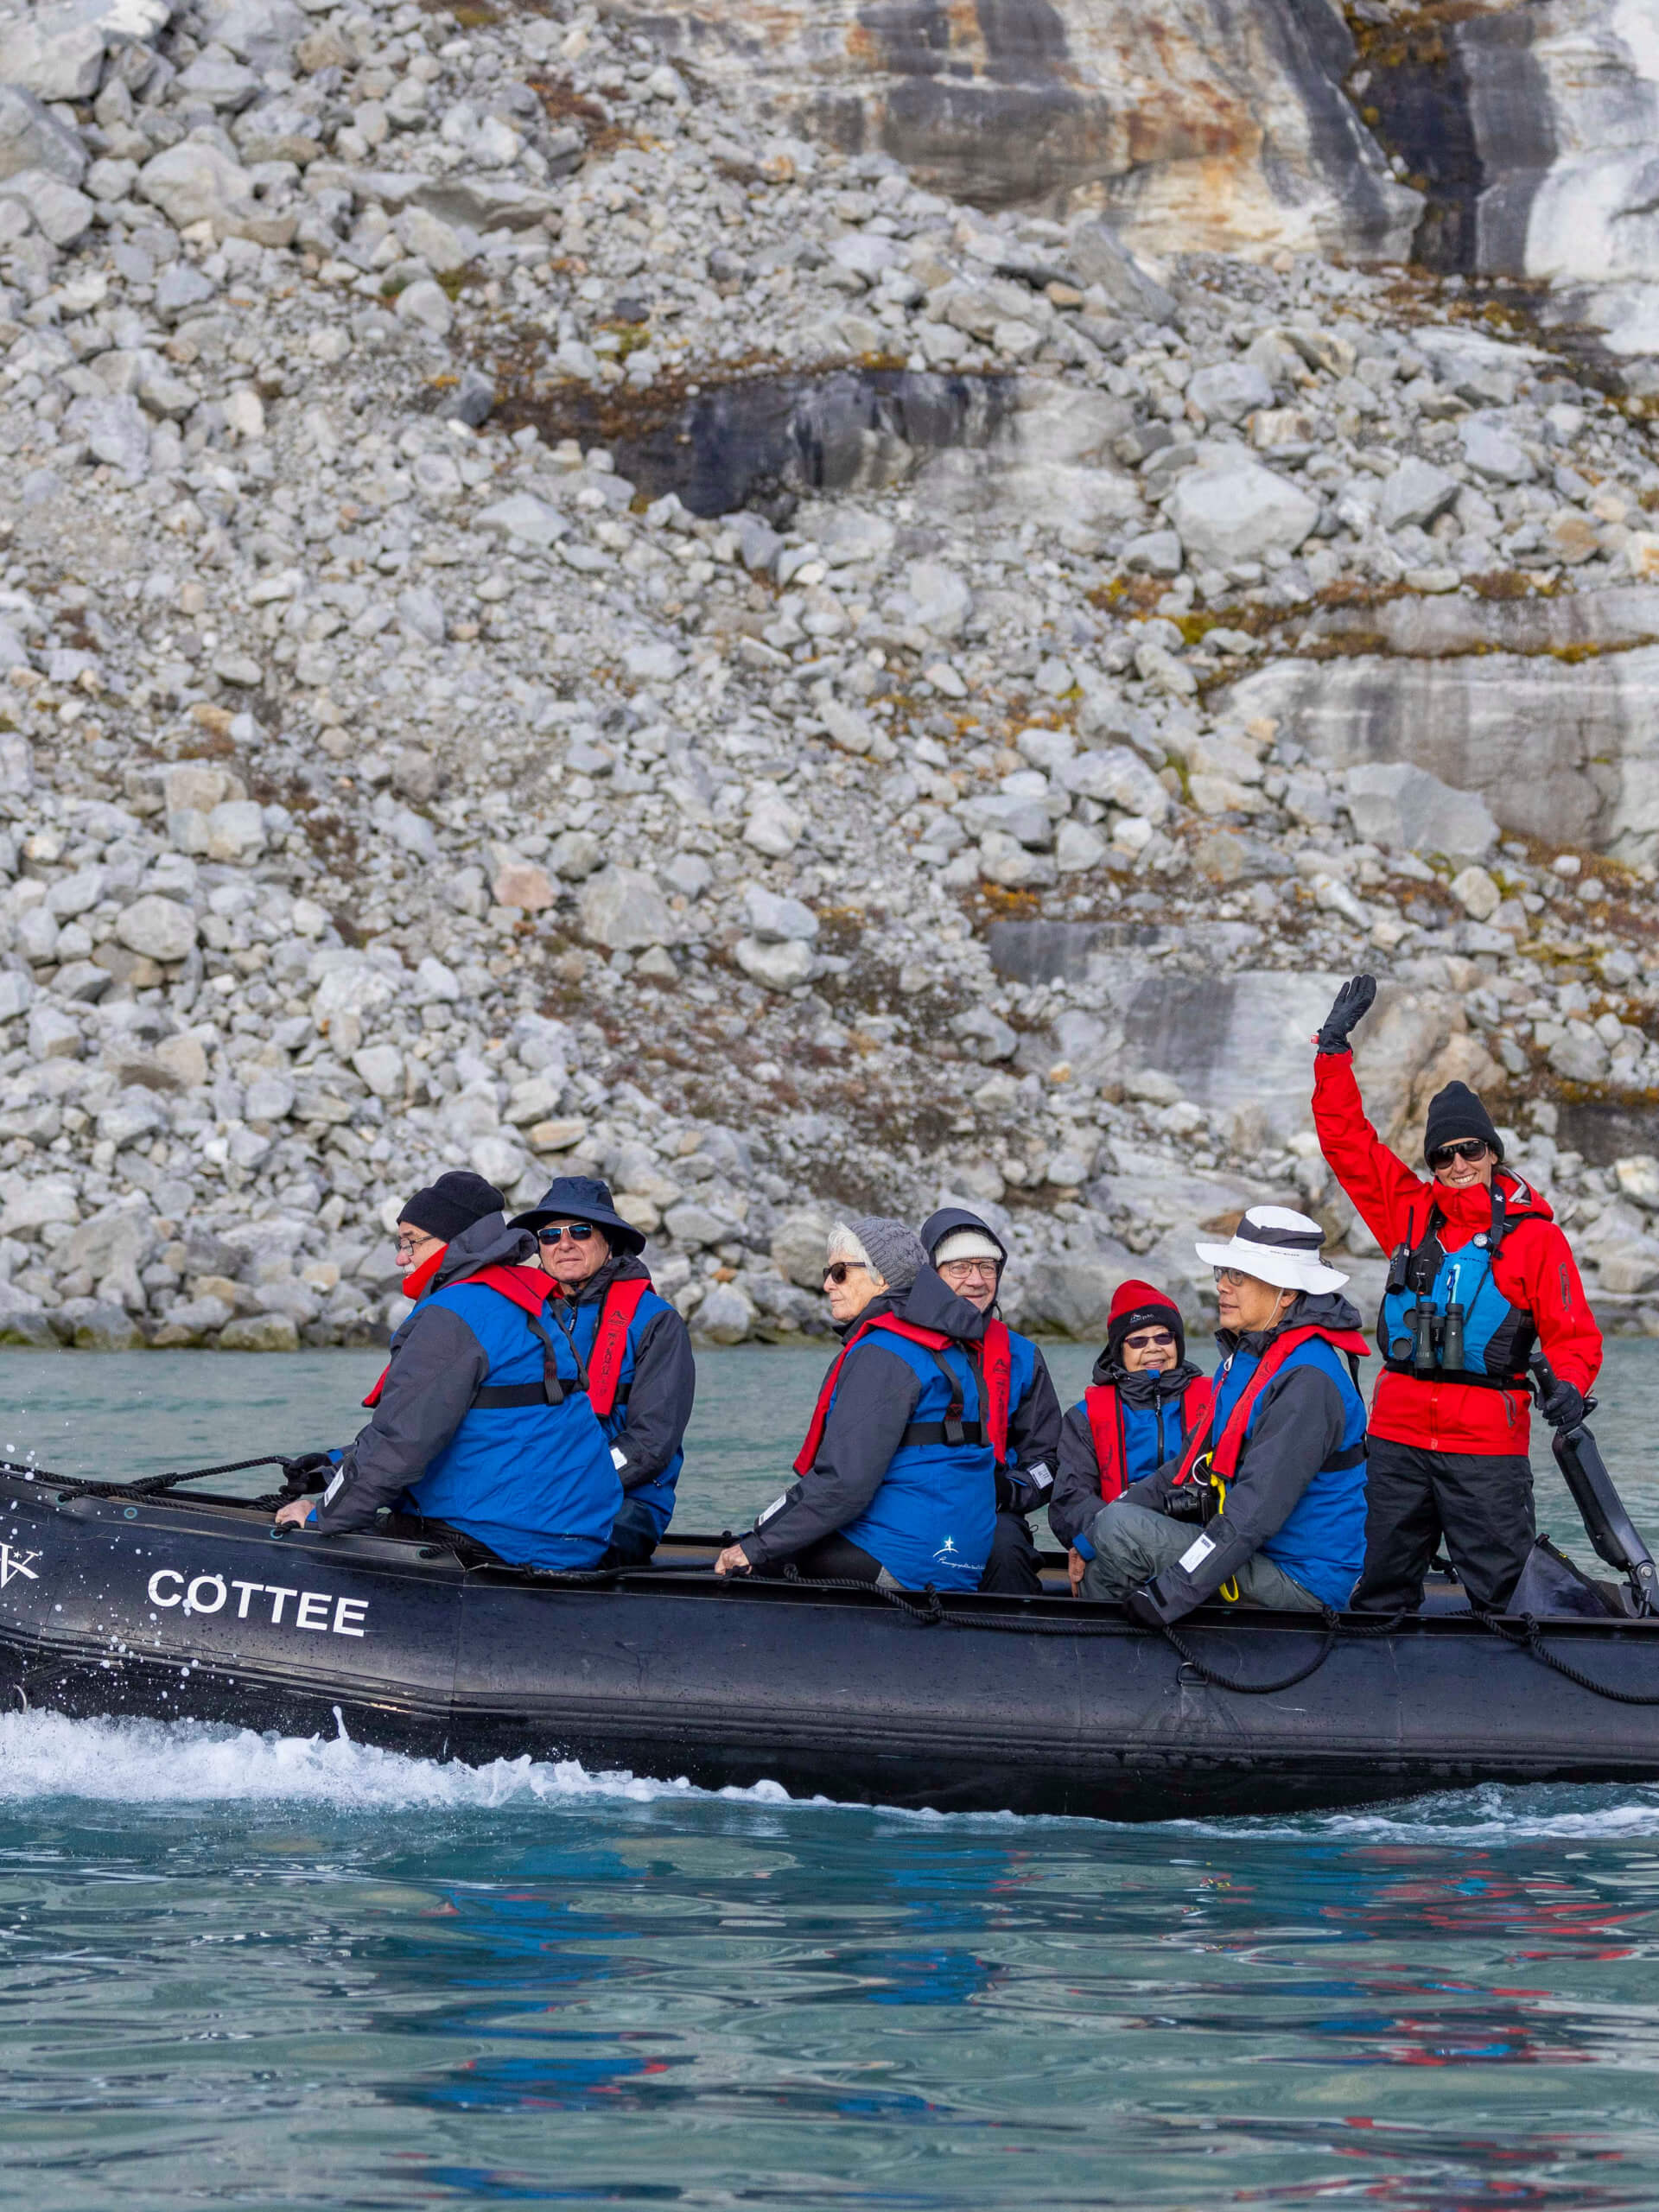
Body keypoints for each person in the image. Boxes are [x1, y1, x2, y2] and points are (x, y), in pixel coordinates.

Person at [1313, 974, 1603, 1613]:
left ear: (1492, 1153)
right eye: (1442, 1155)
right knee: (1382, 1586)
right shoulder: (1408, 1214)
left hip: (1487, 1451)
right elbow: (1347, 1143)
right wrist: (1332, 1052)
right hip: (1396, 1442)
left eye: (1469, 1149)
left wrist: (1571, 1388)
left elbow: (1574, 1337)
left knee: (1503, 1594)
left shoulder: (1536, 1241)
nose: (1457, 1164)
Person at [275, 1175, 620, 1569]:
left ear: (454, 1242)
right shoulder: (528, 1299)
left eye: (411, 1241)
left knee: (354, 1525)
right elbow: (477, 1424)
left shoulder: (453, 1314)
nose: (401, 1258)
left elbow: (401, 1441)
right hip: (575, 1536)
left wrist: (322, 1514)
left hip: (503, 1539)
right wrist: (336, 1466)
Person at [1077, 1207, 1370, 1624]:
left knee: (1120, 1532)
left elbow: (1252, 1514)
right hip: (1261, 1555)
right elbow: (1186, 1467)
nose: (1222, 1287)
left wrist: (1167, 1595)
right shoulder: (1250, 1357)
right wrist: (1087, 1539)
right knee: (1111, 1525)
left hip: (1303, 1581)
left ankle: (1091, 1657)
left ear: (1286, 1293)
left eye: (1239, 1276)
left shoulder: (1307, 1382)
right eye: (1223, 1272)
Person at [714, 1217, 996, 1591]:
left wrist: (757, 1546)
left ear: (882, 1279)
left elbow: (845, 1483)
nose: (827, 1283)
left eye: (840, 1272)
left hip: (909, 1562)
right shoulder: (947, 1344)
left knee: (764, 1560)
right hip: (961, 1557)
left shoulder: (884, 1353)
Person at [510, 1173, 695, 1567]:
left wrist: (568, 1482)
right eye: (549, 1235)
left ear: (608, 1242)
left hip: (627, 1500)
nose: (564, 1244)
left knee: (555, 1540)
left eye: (580, 1231)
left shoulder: (657, 1323)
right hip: (535, 1487)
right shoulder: (524, 1317)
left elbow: (652, 1443)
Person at [919, 1205, 1062, 1597]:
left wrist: (1009, 1491)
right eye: (960, 1268)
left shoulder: (1023, 1357)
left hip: (991, 1509)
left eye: (987, 1267)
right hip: (911, 1501)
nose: (977, 1281)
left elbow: (1047, 1461)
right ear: (931, 1276)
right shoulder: (895, 1350)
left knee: (1005, 1549)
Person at [1049, 1279, 1213, 1595]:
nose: (1153, 1348)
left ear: (1177, 1343)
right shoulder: (1084, 1417)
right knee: (1096, 1563)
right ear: (1118, 1351)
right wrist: (1105, 1538)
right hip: (1118, 1549)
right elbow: (1070, 1500)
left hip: (1199, 1544)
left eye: (1163, 1337)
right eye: (1137, 1341)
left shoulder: (1218, 1402)